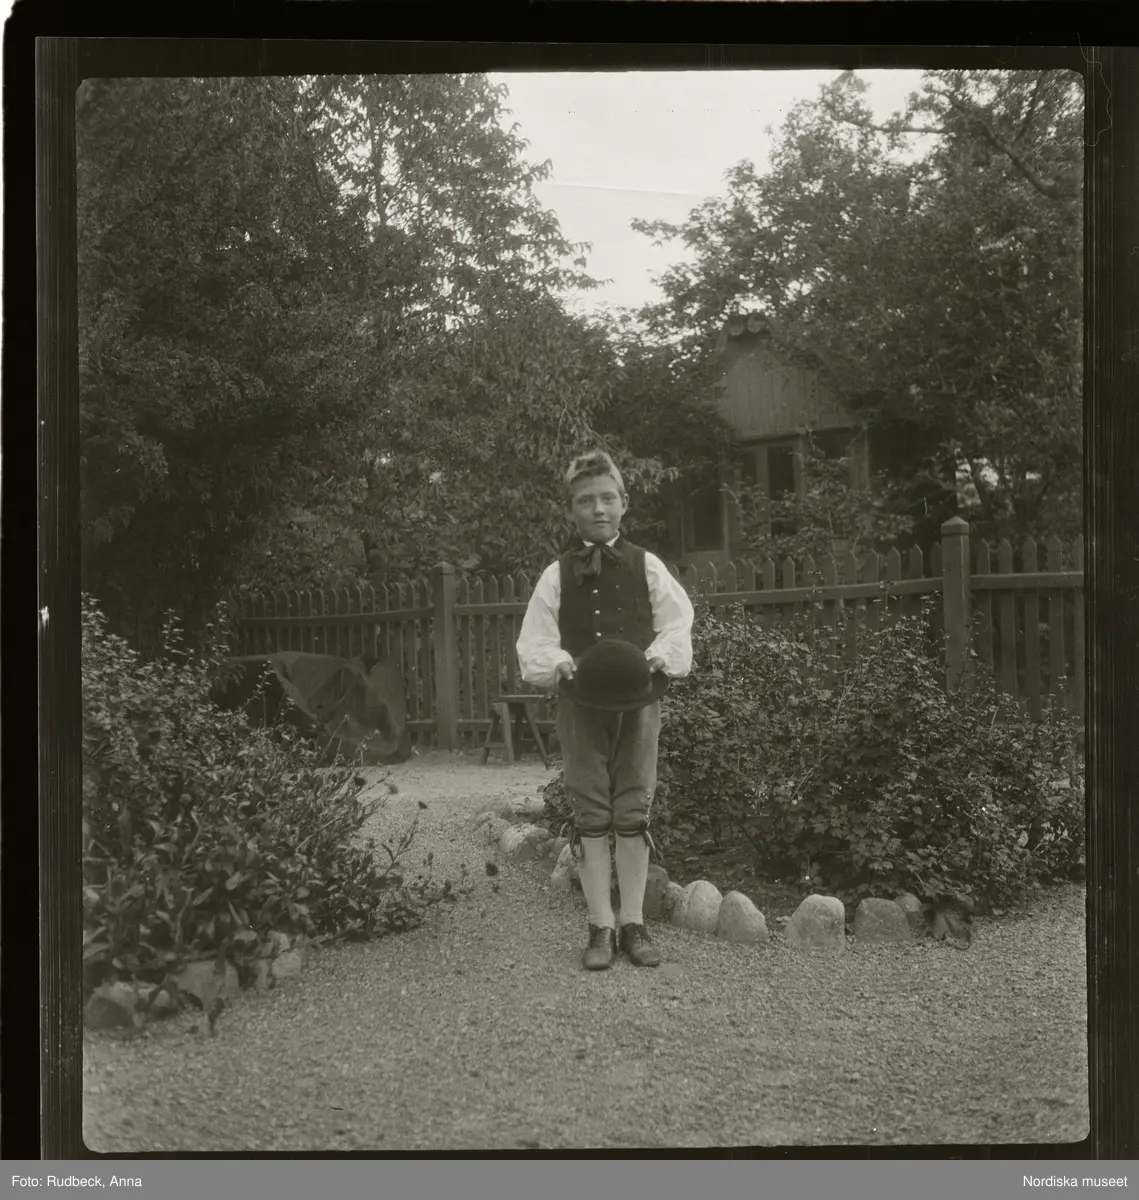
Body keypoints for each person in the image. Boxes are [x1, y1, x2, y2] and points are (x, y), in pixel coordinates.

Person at [516, 450, 694, 970]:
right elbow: (535, 641)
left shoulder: (647, 565)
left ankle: (633, 923)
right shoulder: (555, 575)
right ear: (571, 510)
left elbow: (677, 622)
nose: (598, 509)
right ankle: (600, 926)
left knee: (633, 807)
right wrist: (560, 663)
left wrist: (655, 657)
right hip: (582, 703)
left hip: (639, 701)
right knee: (591, 809)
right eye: (586, 501)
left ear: (624, 503)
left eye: (608, 498)